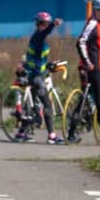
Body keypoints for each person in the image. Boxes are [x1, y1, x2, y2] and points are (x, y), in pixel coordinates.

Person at [72, 0, 100, 145]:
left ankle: (72, 133)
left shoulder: (99, 25)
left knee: (84, 100)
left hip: (96, 68)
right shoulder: (93, 24)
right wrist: (88, 62)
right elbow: (80, 42)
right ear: (95, 11)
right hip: (94, 69)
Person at [20, 10, 64, 144]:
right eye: (44, 24)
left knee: (34, 107)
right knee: (48, 104)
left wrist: (49, 65)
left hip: (34, 73)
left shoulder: (38, 38)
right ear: (40, 24)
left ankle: (21, 133)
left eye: (46, 24)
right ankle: (51, 136)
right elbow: (45, 32)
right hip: (36, 77)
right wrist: (53, 25)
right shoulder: (39, 36)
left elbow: (38, 60)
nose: (45, 26)